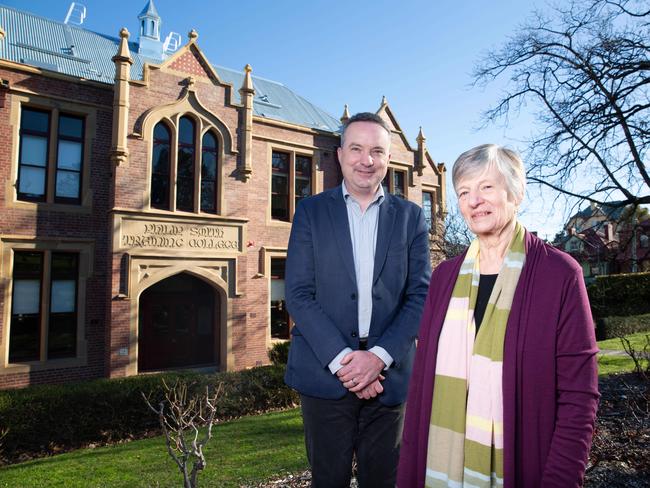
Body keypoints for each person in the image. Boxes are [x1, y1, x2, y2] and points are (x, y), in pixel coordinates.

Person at [397, 144, 600, 488]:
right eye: (464, 191)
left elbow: (579, 397)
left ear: (516, 192)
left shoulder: (560, 274)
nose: (474, 200)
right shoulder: (444, 278)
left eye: (486, 187)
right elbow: (420, 391)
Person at [284, 112, 431, 488]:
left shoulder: (411, 217)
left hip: (390, 377)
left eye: (377, 151)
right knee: (328, 481)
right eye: (357, 149)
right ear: (339, 154)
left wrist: (378, 357)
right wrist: (345, 364)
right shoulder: (310, 212)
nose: (367, 160)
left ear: (388, 158)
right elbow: (299, 294)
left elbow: (420, 294)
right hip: (324, 373)